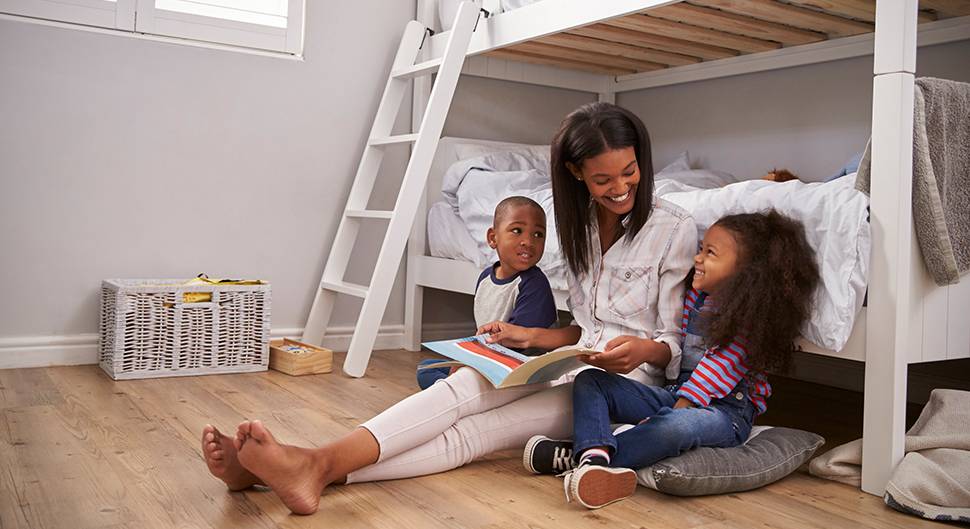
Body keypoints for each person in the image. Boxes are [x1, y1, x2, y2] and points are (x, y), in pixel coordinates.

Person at [200, 101, 698, 515]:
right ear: (575, 174)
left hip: (619, 386)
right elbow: (584, 328)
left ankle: (309, 467)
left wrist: (644, 351)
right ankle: (298, 467)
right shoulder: (578, 224)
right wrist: (529, 340)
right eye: (602, 179)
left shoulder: (675, 228)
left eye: (629, 172)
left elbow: (672, 348)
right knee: (462, 385)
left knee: (476, 432)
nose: (619, 189)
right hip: (570, 359)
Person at [524, 210, 820, 509]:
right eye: (700, 249)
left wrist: (669, 414)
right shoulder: (696, 298)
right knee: (591, 381)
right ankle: (594, 457)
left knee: (673, 428)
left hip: (726, 414)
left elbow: (714, 370)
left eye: (710, 253)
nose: (698, 259)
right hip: (678, 395)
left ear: (743, 271)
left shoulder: (749, 320)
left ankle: (584, 458)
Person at [416, 195, 558, 389]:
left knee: (451, 377)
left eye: (538, 235)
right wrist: (465, 361)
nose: (528, 241)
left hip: (519, 369)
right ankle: (459, 391)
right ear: (493, 238)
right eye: (517, 231)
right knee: (426, 369)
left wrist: (471, 364)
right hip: (492, 359)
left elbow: (514, 343)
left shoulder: (534, 284)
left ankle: (459, 393)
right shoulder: (485, 277)